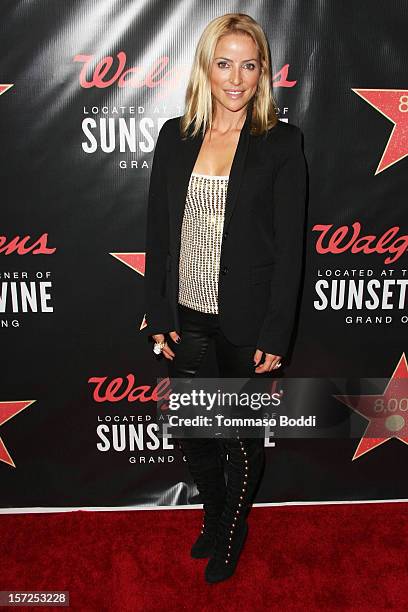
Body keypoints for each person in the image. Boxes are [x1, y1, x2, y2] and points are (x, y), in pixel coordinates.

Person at [144, 13, 307, 583]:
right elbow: (158, 234)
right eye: (224, 63)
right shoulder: (174, 136)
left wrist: (275, 333)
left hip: (247, 319)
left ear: (262, 71)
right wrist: (158, 312)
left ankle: (233, 533)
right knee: (192, 430)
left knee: (238, 436)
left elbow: (292, 250)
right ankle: (214, 518)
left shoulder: (281, 143)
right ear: (205, 69)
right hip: (188, 315)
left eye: (248, 64)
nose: (235, 78)